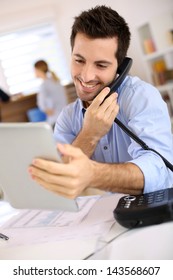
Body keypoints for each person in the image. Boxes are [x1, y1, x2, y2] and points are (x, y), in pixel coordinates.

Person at [29, 5, 173, 199]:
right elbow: (57, 179)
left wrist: (93, 174)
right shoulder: (68, 117)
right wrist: (89, 134)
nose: (86, 76)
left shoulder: (141, 97)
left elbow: (159, 171)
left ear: (120, 67)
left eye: (101, 65)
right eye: (79, 60)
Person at [34, 60, 67, 126]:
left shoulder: (44, 85)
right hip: (65, 116)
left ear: (38, 70)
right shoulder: (56, 80)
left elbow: (42, 104)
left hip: (55, 120)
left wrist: (46, 110)